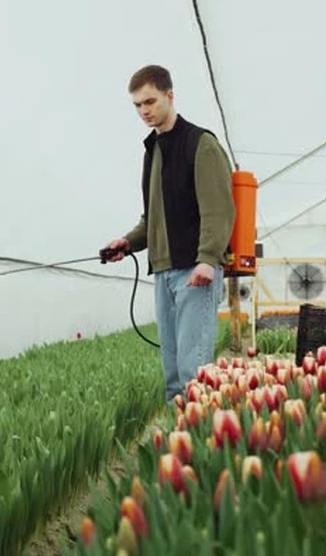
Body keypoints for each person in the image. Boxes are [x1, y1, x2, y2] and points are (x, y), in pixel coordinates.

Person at [101, 64, 236, 404]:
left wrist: (208, 260)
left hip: (195, 271)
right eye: (137, 105)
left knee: (195, 371)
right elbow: (154, 218)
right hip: (163, 271)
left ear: (170, 95)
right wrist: (128, 242)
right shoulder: (154, 150)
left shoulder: (200, 144)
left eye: (150, 101)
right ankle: (181, 447)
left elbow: (219, 209)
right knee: (173, 373)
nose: (144, 111)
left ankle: (204, 441)